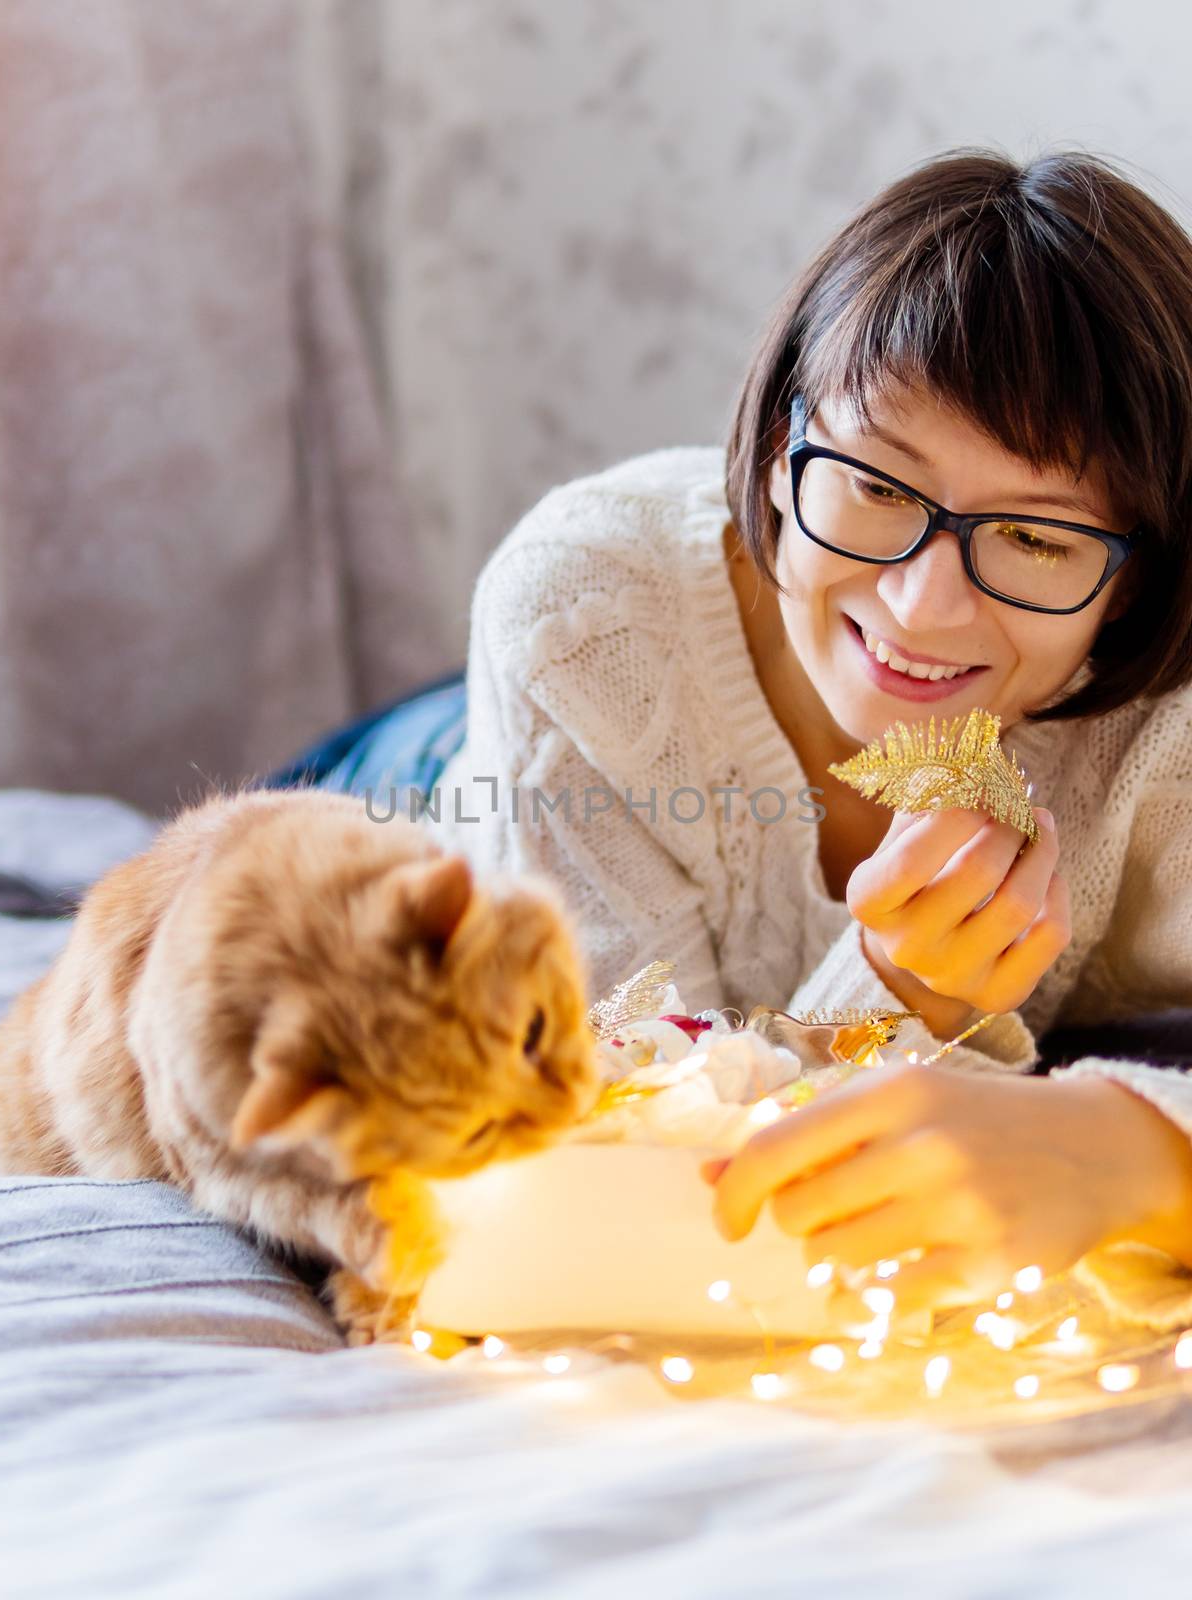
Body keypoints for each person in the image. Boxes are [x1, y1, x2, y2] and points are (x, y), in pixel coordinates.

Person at [277, 149, 1192, 1324]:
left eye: (1038, 540)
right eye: (874, 482)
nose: (922, 607)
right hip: (426, 781)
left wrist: (1130, 1155)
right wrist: (895, 992)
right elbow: (631, 1147)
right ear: (778, 447)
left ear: (1140, 580)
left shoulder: (1164, 736)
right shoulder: (584, 621)